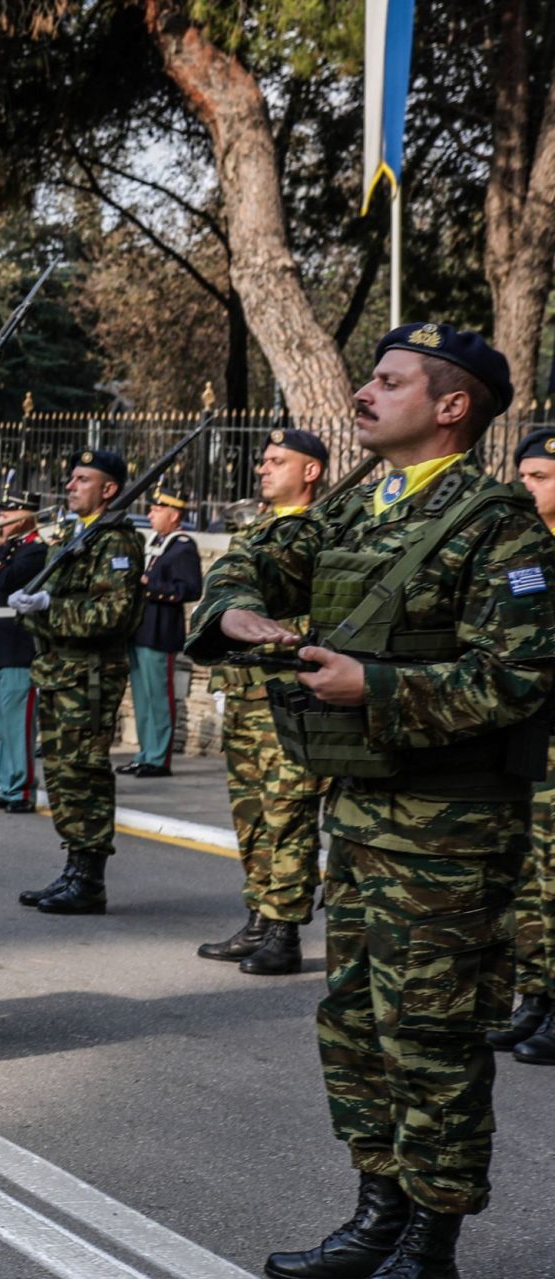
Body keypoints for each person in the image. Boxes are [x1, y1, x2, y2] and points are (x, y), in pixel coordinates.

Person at [187, 323, 549, 1278]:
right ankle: (377, 1215)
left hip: (451, 835)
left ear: (452, 405)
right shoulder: (362, 503)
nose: (363, 392)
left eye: (389, 381)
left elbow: (518, 679)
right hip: (362, 815)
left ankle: (431, 1239)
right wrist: (233, 607)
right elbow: (263, 557)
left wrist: (374, 686)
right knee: (354, 1025)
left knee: (431, 1036)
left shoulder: (498, 524)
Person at [198, 427, 331, 975]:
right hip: (245, 693)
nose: (263, 468)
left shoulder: (322, 533)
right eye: (264, 460)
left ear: (311, 471)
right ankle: (258, 916)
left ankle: (284, 930)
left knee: (288, 814)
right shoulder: (256, 530)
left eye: (278, 460)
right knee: (250, 813)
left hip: (287, 695)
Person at [8, 449, 146, 915]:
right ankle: (73, 867)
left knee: (84, 773)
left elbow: (114, 615)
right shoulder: (75, 534)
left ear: (109, 490)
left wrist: (50, 608)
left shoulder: (117, 542)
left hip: (89, 677)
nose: (70, 485)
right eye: (71, 477)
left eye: (83, 479)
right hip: (58, 670)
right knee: (62, 774)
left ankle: (90, 879)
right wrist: (33, 608)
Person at [492, 427, 555, 1064]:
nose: (526, 487)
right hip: (528, 737)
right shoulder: (521, 553)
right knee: (529, 879)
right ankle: (535, 995)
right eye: (524, 476)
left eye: (540, 477)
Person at [119, 490, 201, 779]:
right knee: (142, 698)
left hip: (160, 632)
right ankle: (144, 754)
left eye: (157, 510)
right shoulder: (155, 542)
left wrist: (148, 584)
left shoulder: (182, 547)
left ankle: (158, 758)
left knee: (158, 698)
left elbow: (190, 589)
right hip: (141, 630)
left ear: (174, 515)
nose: (150, 515)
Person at [0, 495, 46, 813]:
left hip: (18, 646)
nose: (2, 518)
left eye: (9, 513)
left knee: (19, 724)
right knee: (4, 726)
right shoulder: (8, 549)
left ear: (27, 516)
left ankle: (22, 790)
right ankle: (7, 786)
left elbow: (6, 579)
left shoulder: (35, 550)